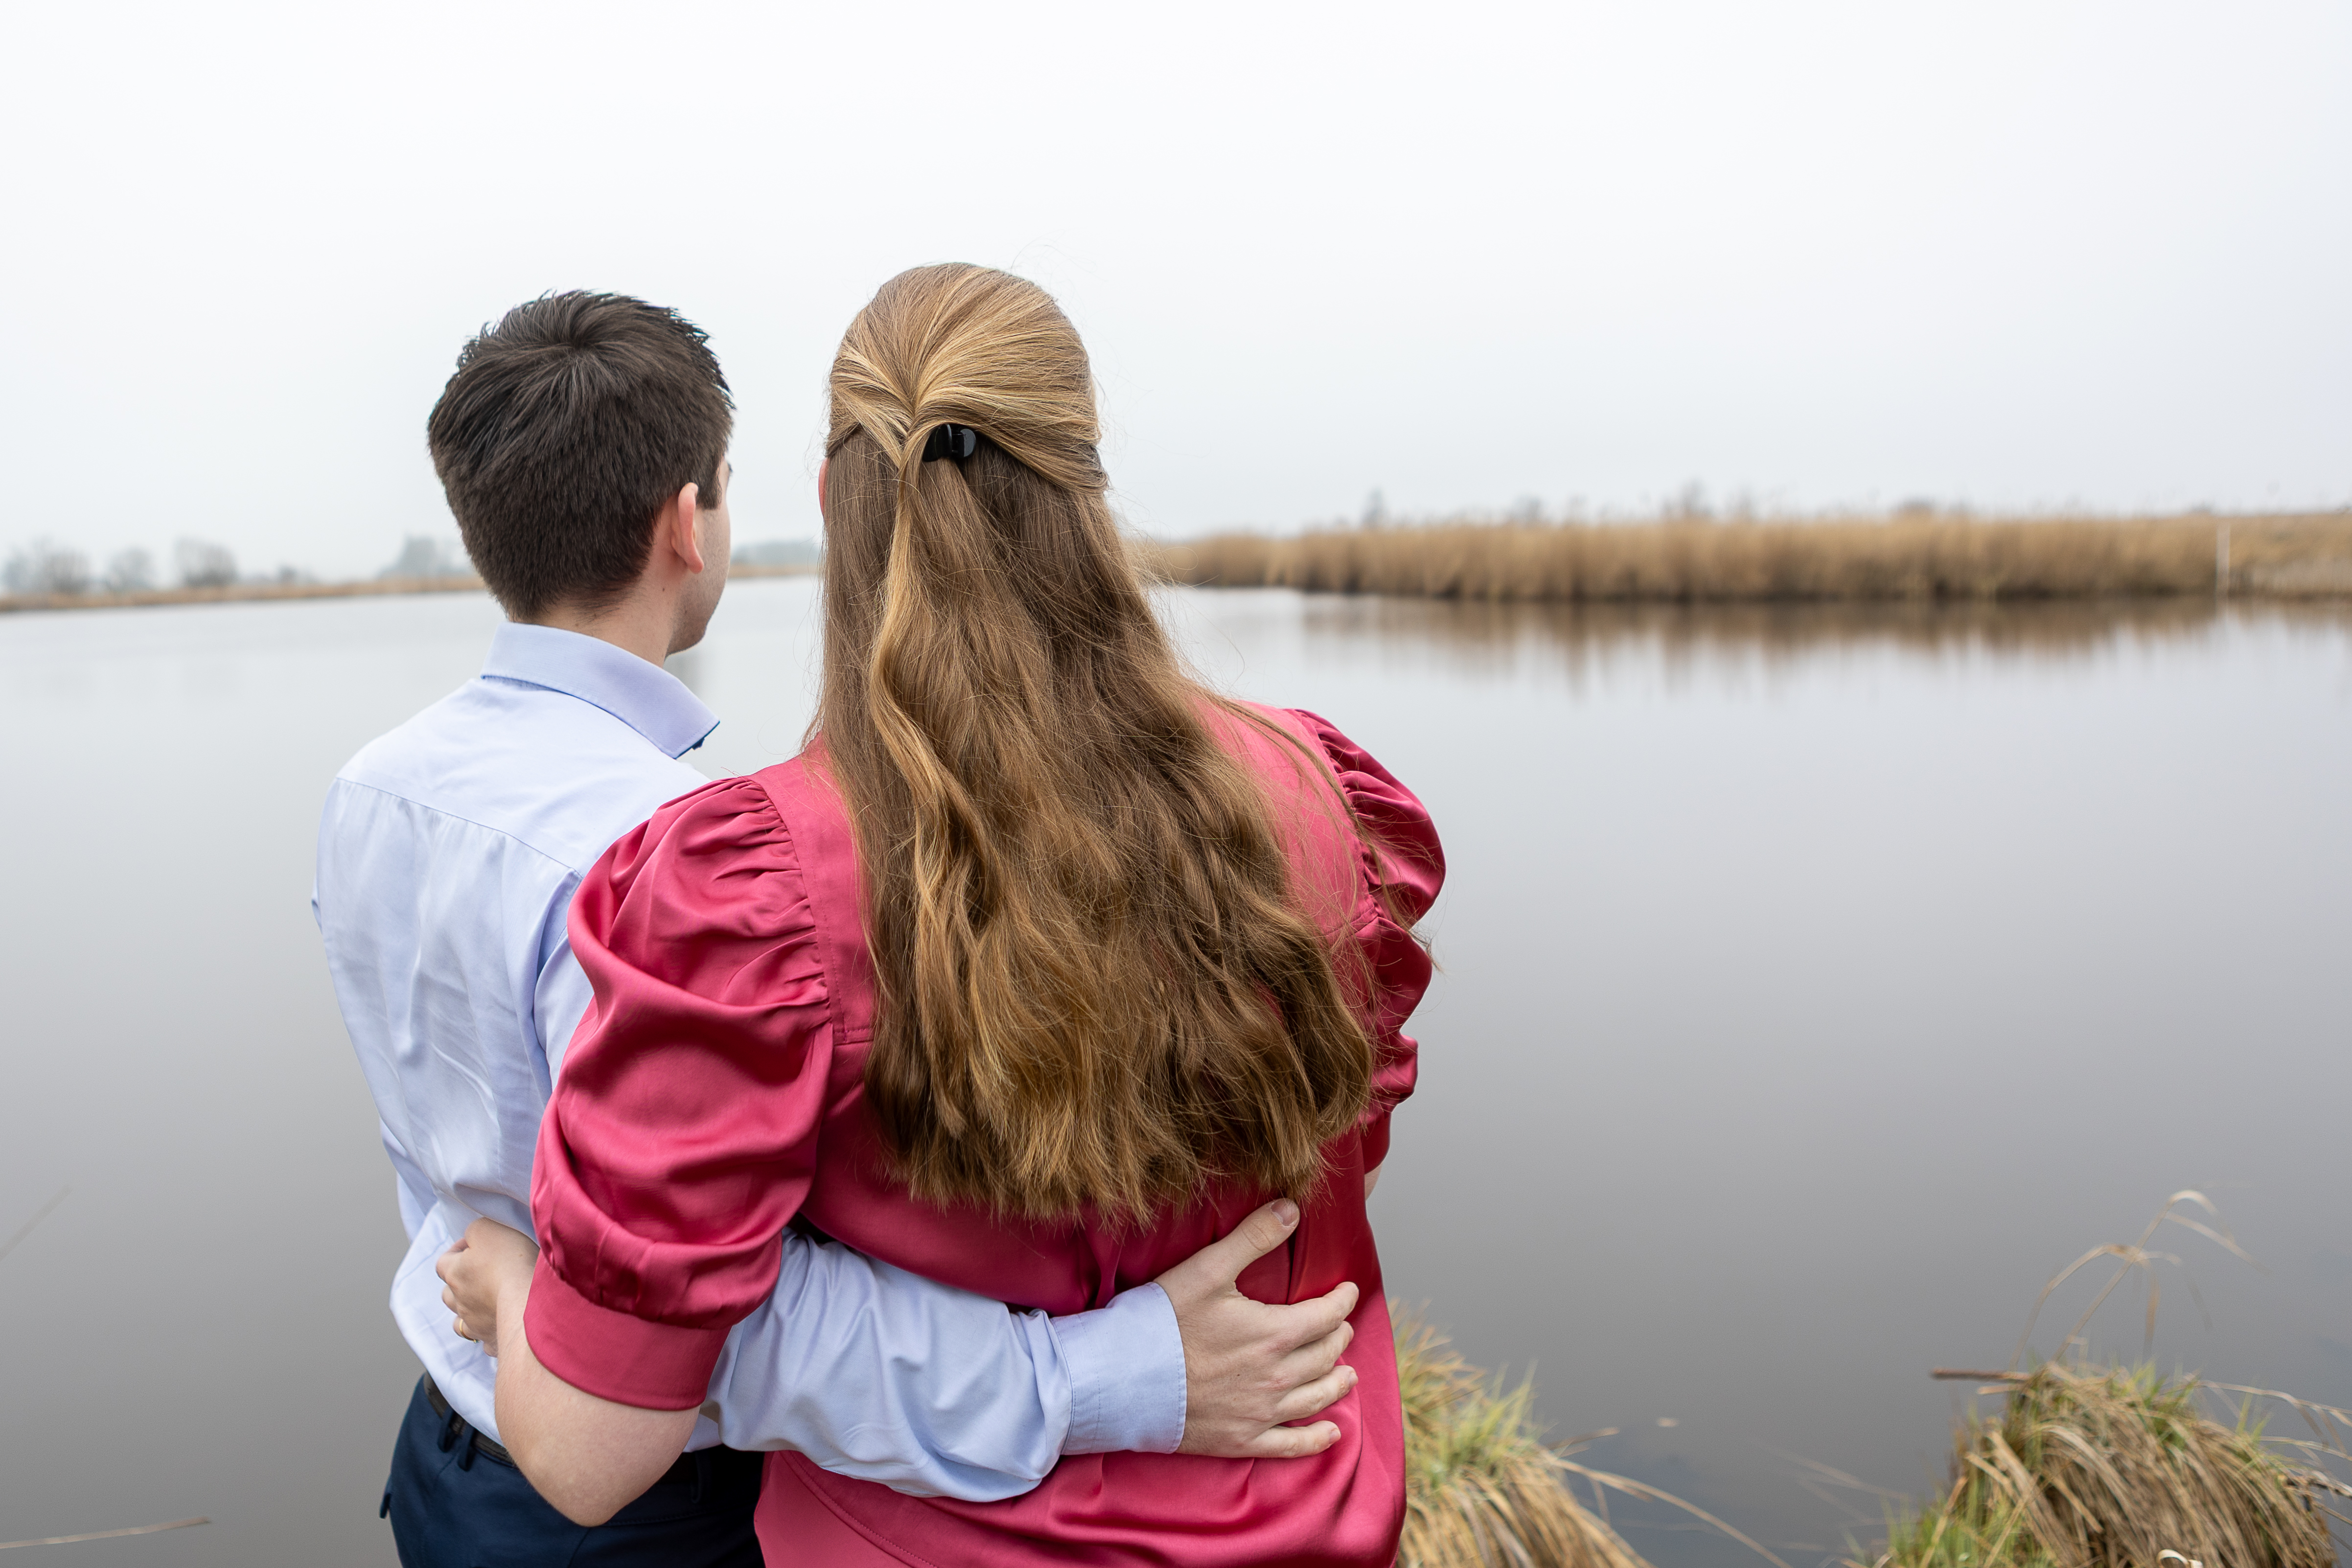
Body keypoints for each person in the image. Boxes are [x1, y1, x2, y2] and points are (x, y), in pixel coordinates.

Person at [315, 291, 1362, 1568]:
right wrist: (1113, 1369)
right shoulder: (679, 860)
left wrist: (504, 1288)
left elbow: (487, 1175)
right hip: (647, 1496)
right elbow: (713, 1319)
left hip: (447, 1441)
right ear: (686, 526)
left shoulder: (372, 789)